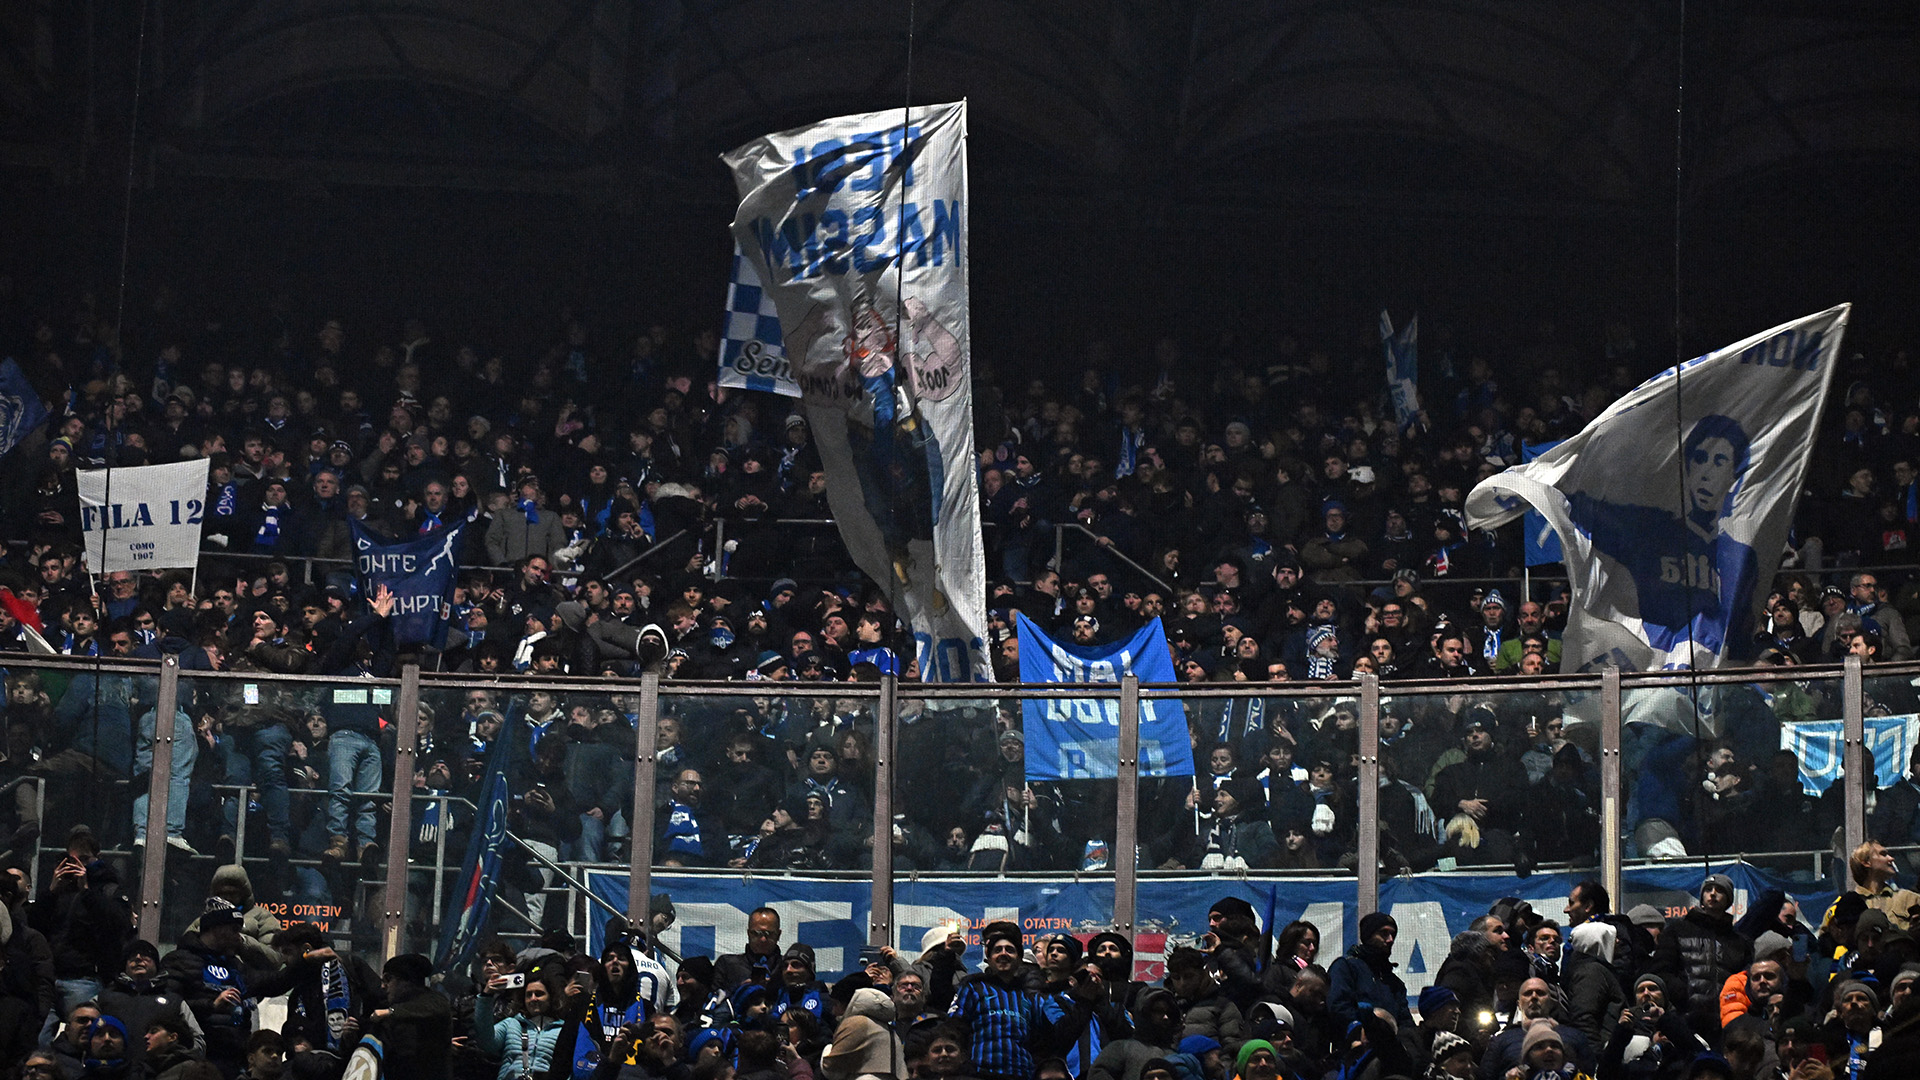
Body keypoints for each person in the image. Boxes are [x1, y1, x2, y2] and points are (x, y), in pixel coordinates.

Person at [945, 921, 1052, 1080]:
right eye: (997, 950)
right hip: (979, 1074)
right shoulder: (973, 988)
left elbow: (1041, 1040)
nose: (1003, 954)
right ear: (989, 958)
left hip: (1021, 1075)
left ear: (1019, 958)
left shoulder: (1028, 996)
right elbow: (954, 1030)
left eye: (1010, 950)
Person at [1650, 874, 1752, 1040]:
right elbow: (1661, 971)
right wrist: (1684, 995)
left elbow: (1745, 980)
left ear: (1729, 899)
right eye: (1708, 890)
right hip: (1685, 1019)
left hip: (1726, 1023)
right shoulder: (1677, 930)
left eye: (1719, 890)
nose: (1713, 894)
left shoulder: (1739, 942)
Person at [368, 954, 451, 1080]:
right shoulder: (390, 1006)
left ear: (406, 981)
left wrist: (391, 1012)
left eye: (388, 979)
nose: (383, 986)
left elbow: (434, 1008)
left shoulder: (434, 1002)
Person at [1327, 913, 1413, 1033]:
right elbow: (1338, 1008)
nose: (1390, 940)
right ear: (1368, 935)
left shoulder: (1394, 983)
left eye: (1393, 934)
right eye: (1384, 933)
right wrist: (1369, 1028)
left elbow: (1405, 1022)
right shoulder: (1346, 967)